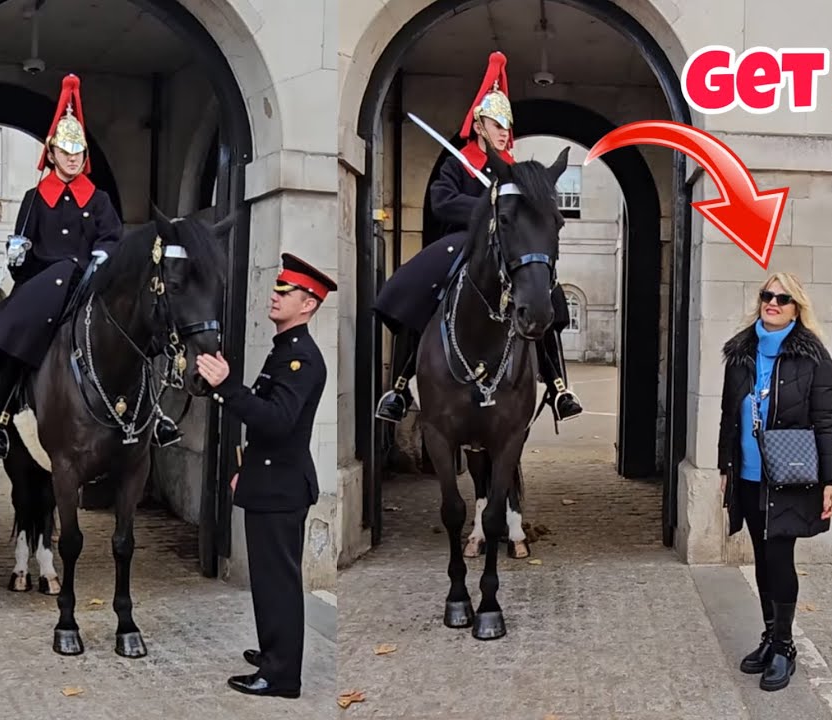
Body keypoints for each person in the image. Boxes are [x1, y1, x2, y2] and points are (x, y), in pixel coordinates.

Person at [372, 50, 583, 426]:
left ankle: (557, 384)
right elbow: (441, 200)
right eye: (496, 123)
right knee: (419, 289)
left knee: (543, 293)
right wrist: (487, 205)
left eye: (507, 125)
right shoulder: (459, 162)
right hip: (465, 240)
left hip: (508, 244)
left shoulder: (517, 171)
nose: (504, 131)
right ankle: (401, 386)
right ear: (479, 125)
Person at [0, 72, 182, 460]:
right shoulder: (34, 198)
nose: (72, 159)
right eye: (65, 152)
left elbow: (111, 236)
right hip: (44, 283)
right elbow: (23, 244)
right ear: (52, 153)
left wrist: (105, 254)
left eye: (78, 153)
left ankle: (153, 413)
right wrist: (17, 251)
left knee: (140, 329)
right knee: (10, 334)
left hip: (92, 282)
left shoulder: (100, 199)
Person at [195, 253, 335, 698]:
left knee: (279, 581)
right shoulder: (284, 352)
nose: (275, 297)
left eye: (286, 292)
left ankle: (281, 675)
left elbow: (277, 420)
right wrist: (246, 471)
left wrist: (227, 386)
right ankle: (276, 650)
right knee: (272, 579)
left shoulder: (301, 359)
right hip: (270, 479)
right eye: (276, 289)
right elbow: (266, 429)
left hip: (283, 485)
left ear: (309, 304)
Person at [718, 272, 832, 692]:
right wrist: (725, 469)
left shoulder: (812, 357)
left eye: (782, 298)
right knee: (760, 556)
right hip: (748, 475)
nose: (772, 302)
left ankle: (785, 646)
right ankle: (770, 637)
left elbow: (825, 420)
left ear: (797, 307)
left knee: (779, 557)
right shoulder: (741, 352)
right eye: (767, 295)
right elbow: (727, 417)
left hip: (789, 477)